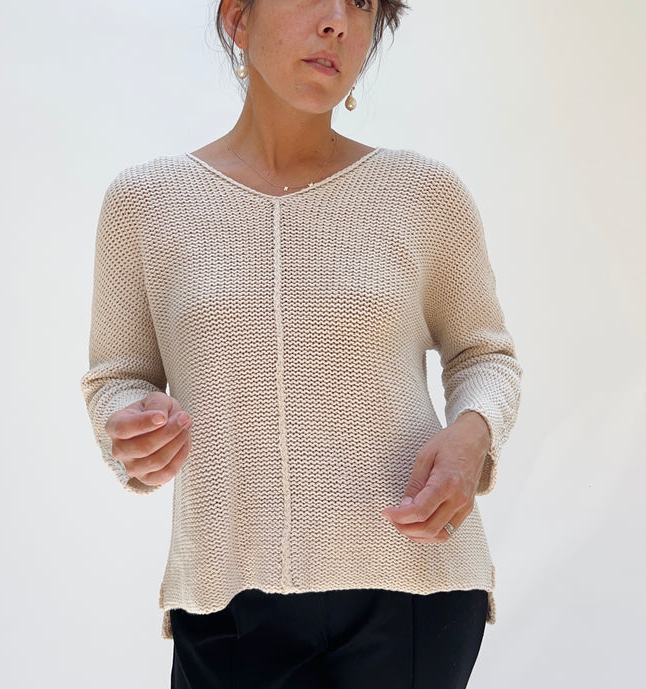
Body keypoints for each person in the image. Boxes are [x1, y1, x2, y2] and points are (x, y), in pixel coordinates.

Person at [80, 1, 522, 687]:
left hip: (412, 586)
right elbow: (117, 376)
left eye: (362, 3)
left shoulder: (425, 194)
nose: (338, 20)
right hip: (226, 592)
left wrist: (473, 433)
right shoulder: (146, 203)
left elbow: (484, 355)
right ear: (239, 18)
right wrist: (131, 427)